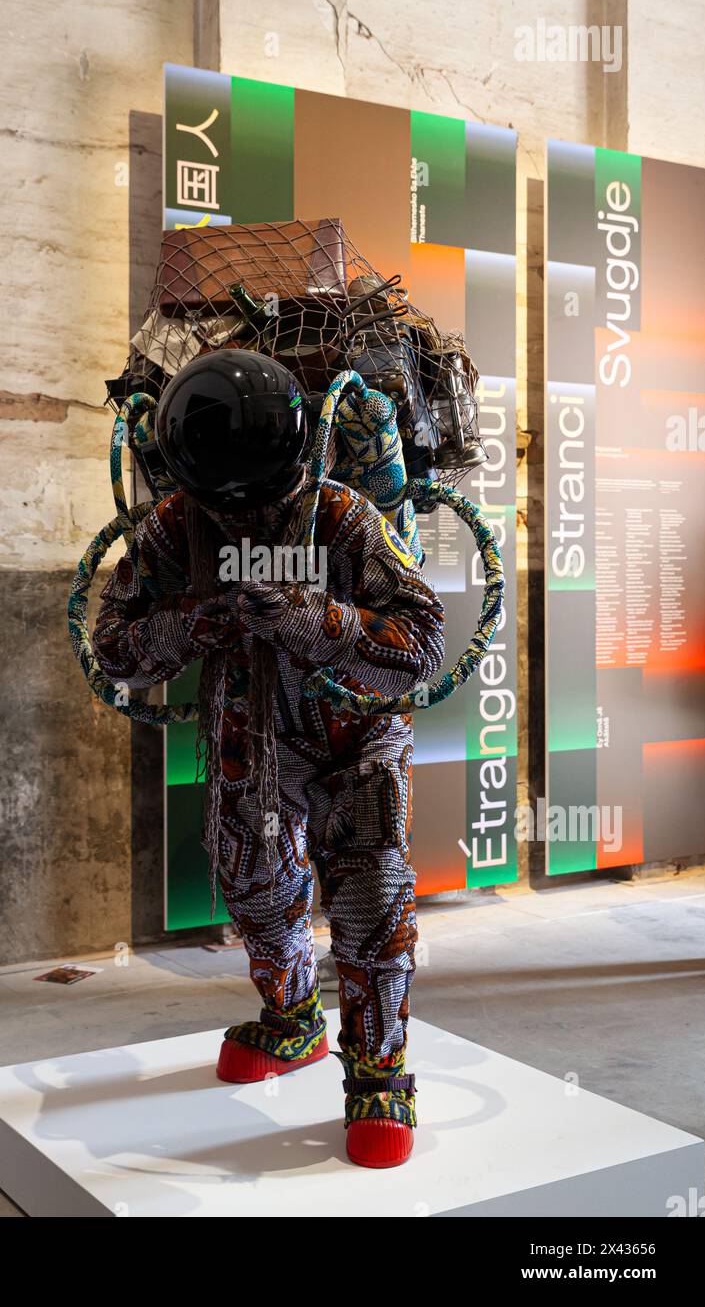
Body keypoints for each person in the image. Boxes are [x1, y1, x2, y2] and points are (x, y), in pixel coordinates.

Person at [92, 349, 445, 1168]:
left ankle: (378, 1077)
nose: (244, 519)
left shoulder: (344, 517)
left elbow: (423, 645)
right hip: (249, 744)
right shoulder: (176, 526)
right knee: (255, 891)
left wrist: (317, 622)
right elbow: (113, 646)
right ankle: (291, 1022)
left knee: (371, 910)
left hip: (357, 748)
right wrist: (193, 627)